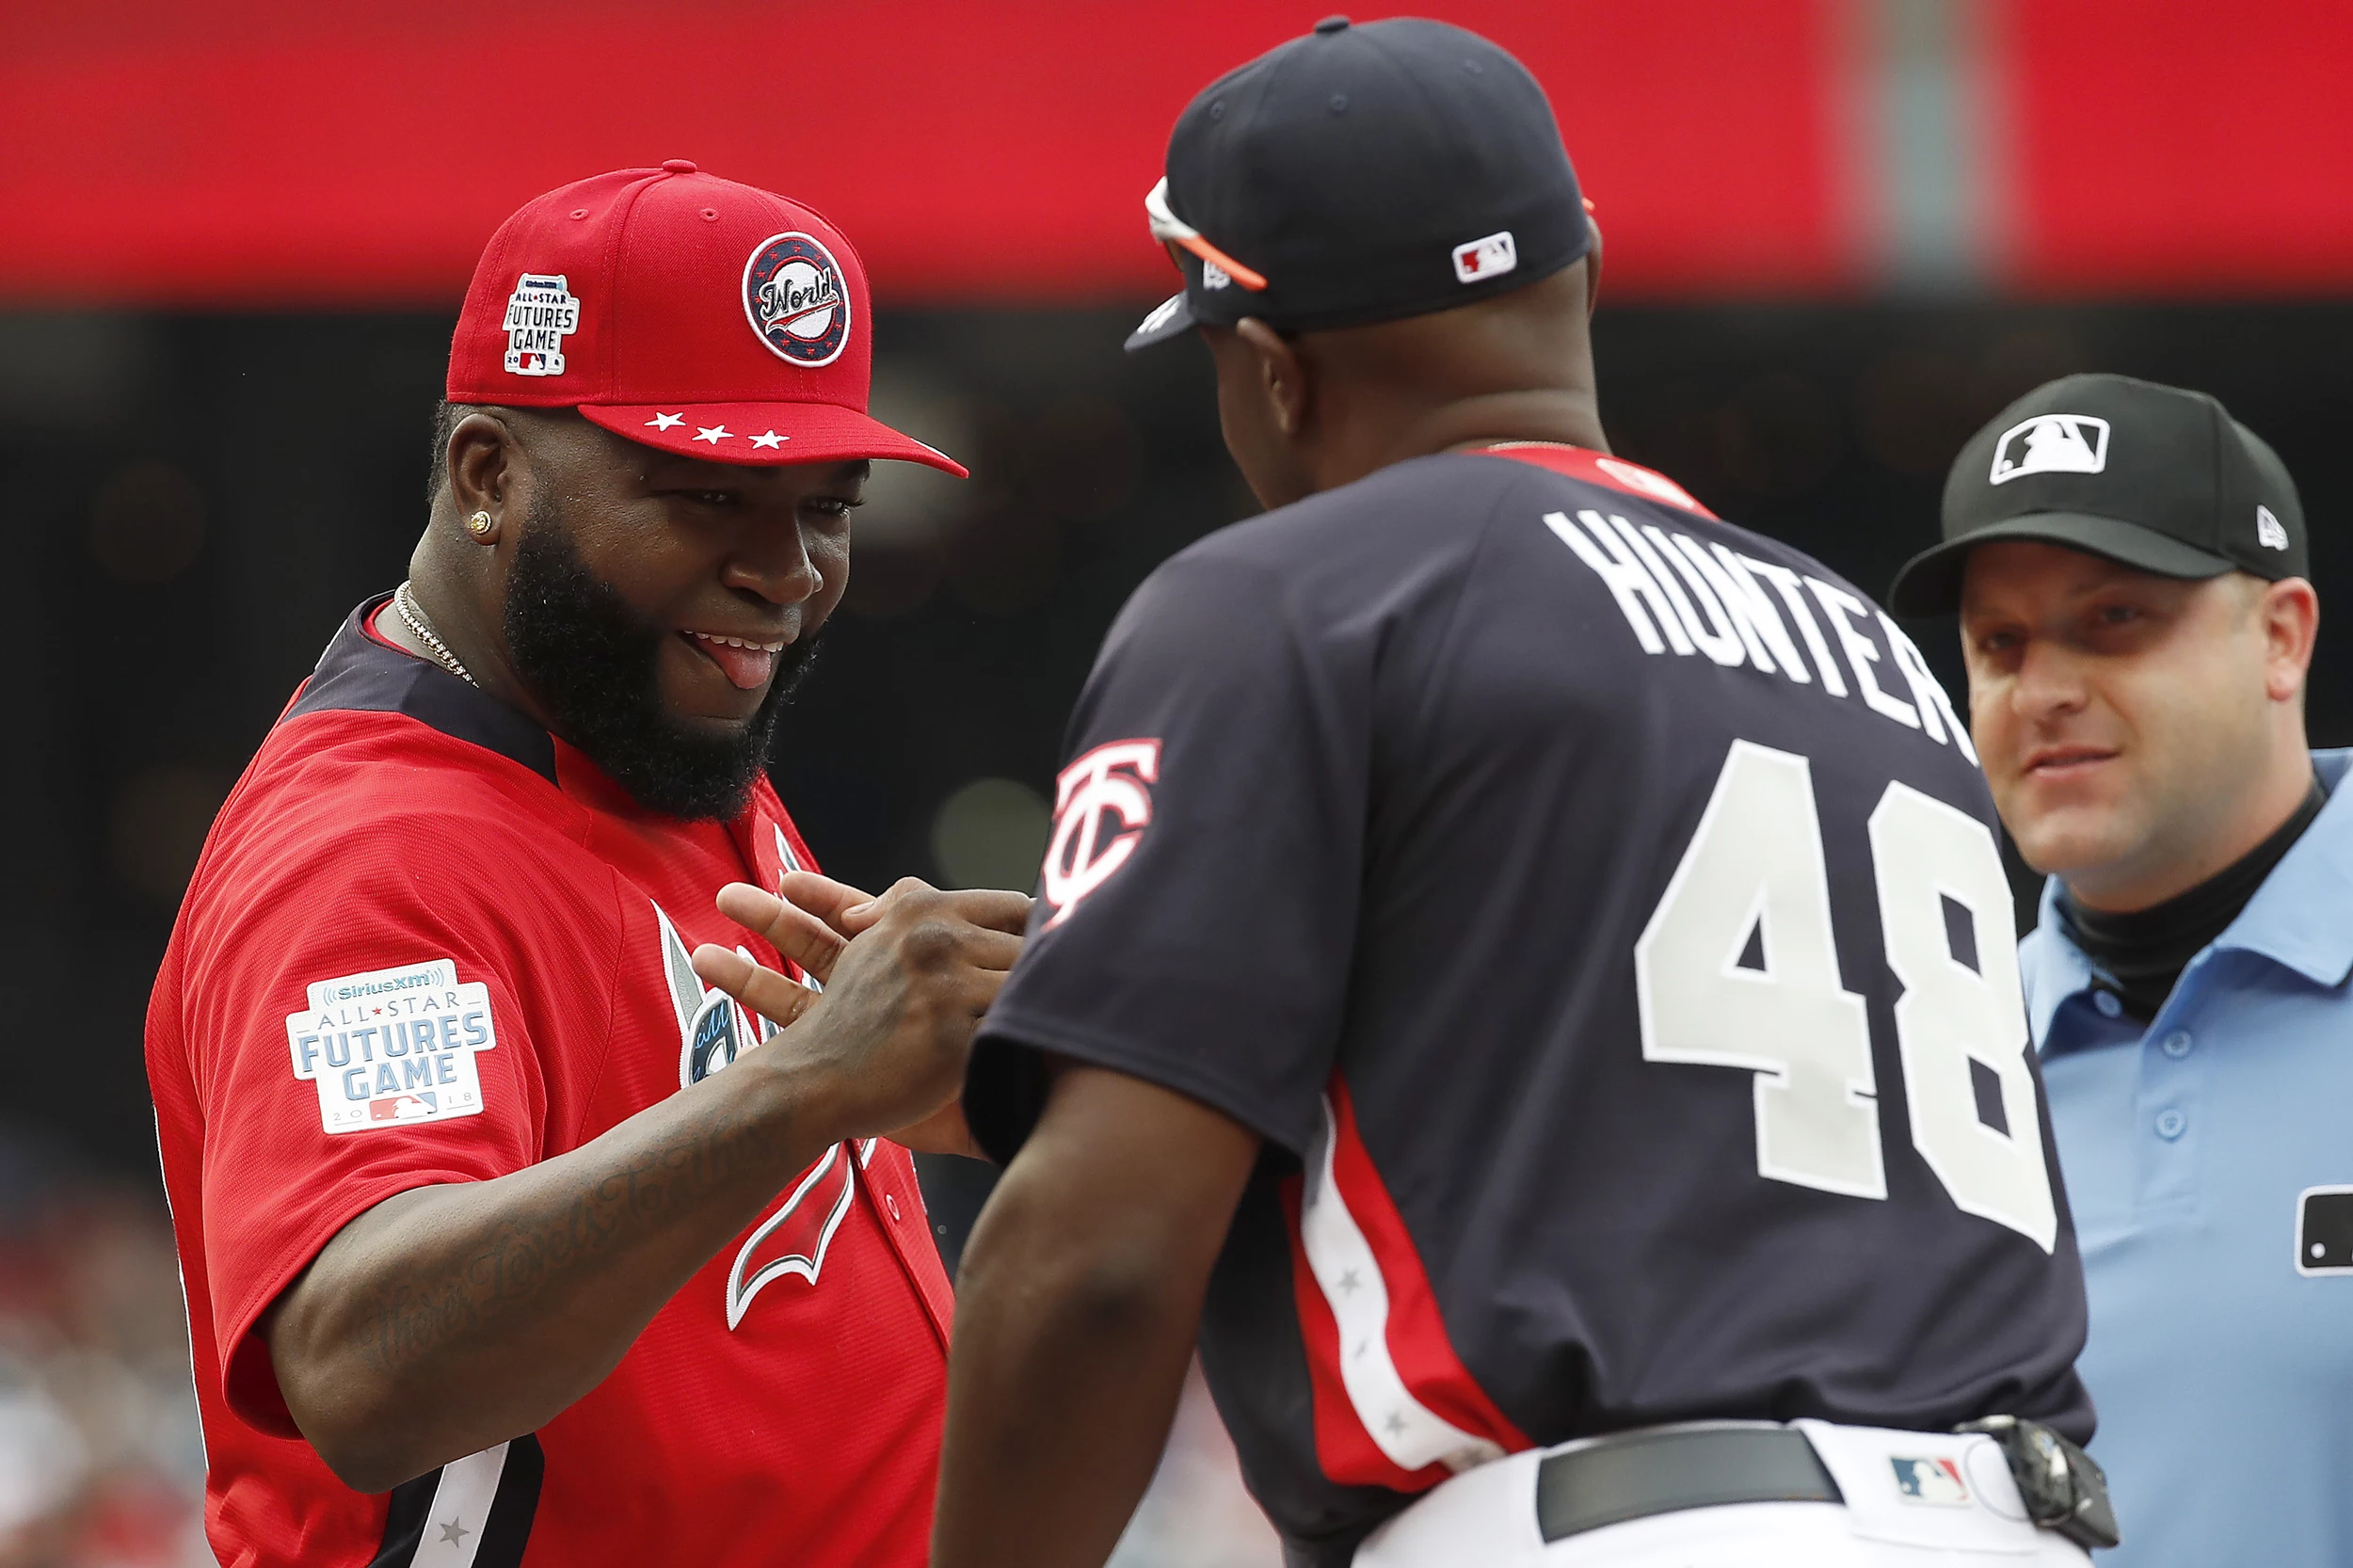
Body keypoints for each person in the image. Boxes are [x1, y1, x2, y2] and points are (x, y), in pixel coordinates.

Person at [837, 18, 2105, 1568]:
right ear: (1574, 279)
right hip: (2004, 1520)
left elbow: (1096, 1262)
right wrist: (1096, 1041)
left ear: (1276, 371)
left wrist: (1099, 1110)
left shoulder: (1294, 595)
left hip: (1604, 1530)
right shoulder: (1865, 651)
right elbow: (1625, 1119)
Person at [143, 162, 1031, 1568]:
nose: (786, 567)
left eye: (826, 504)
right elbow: (365, 1363)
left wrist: (967, 1080)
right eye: (707, 491)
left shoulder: (639, 725)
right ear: (489, 475)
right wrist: (806, 1085)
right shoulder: (376, 854)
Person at [1888, 372, 2339, 1567]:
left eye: (2114, 620)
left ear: (2281, 638)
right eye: (2000, 642)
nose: (2043, 692)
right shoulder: (1920, 1065)